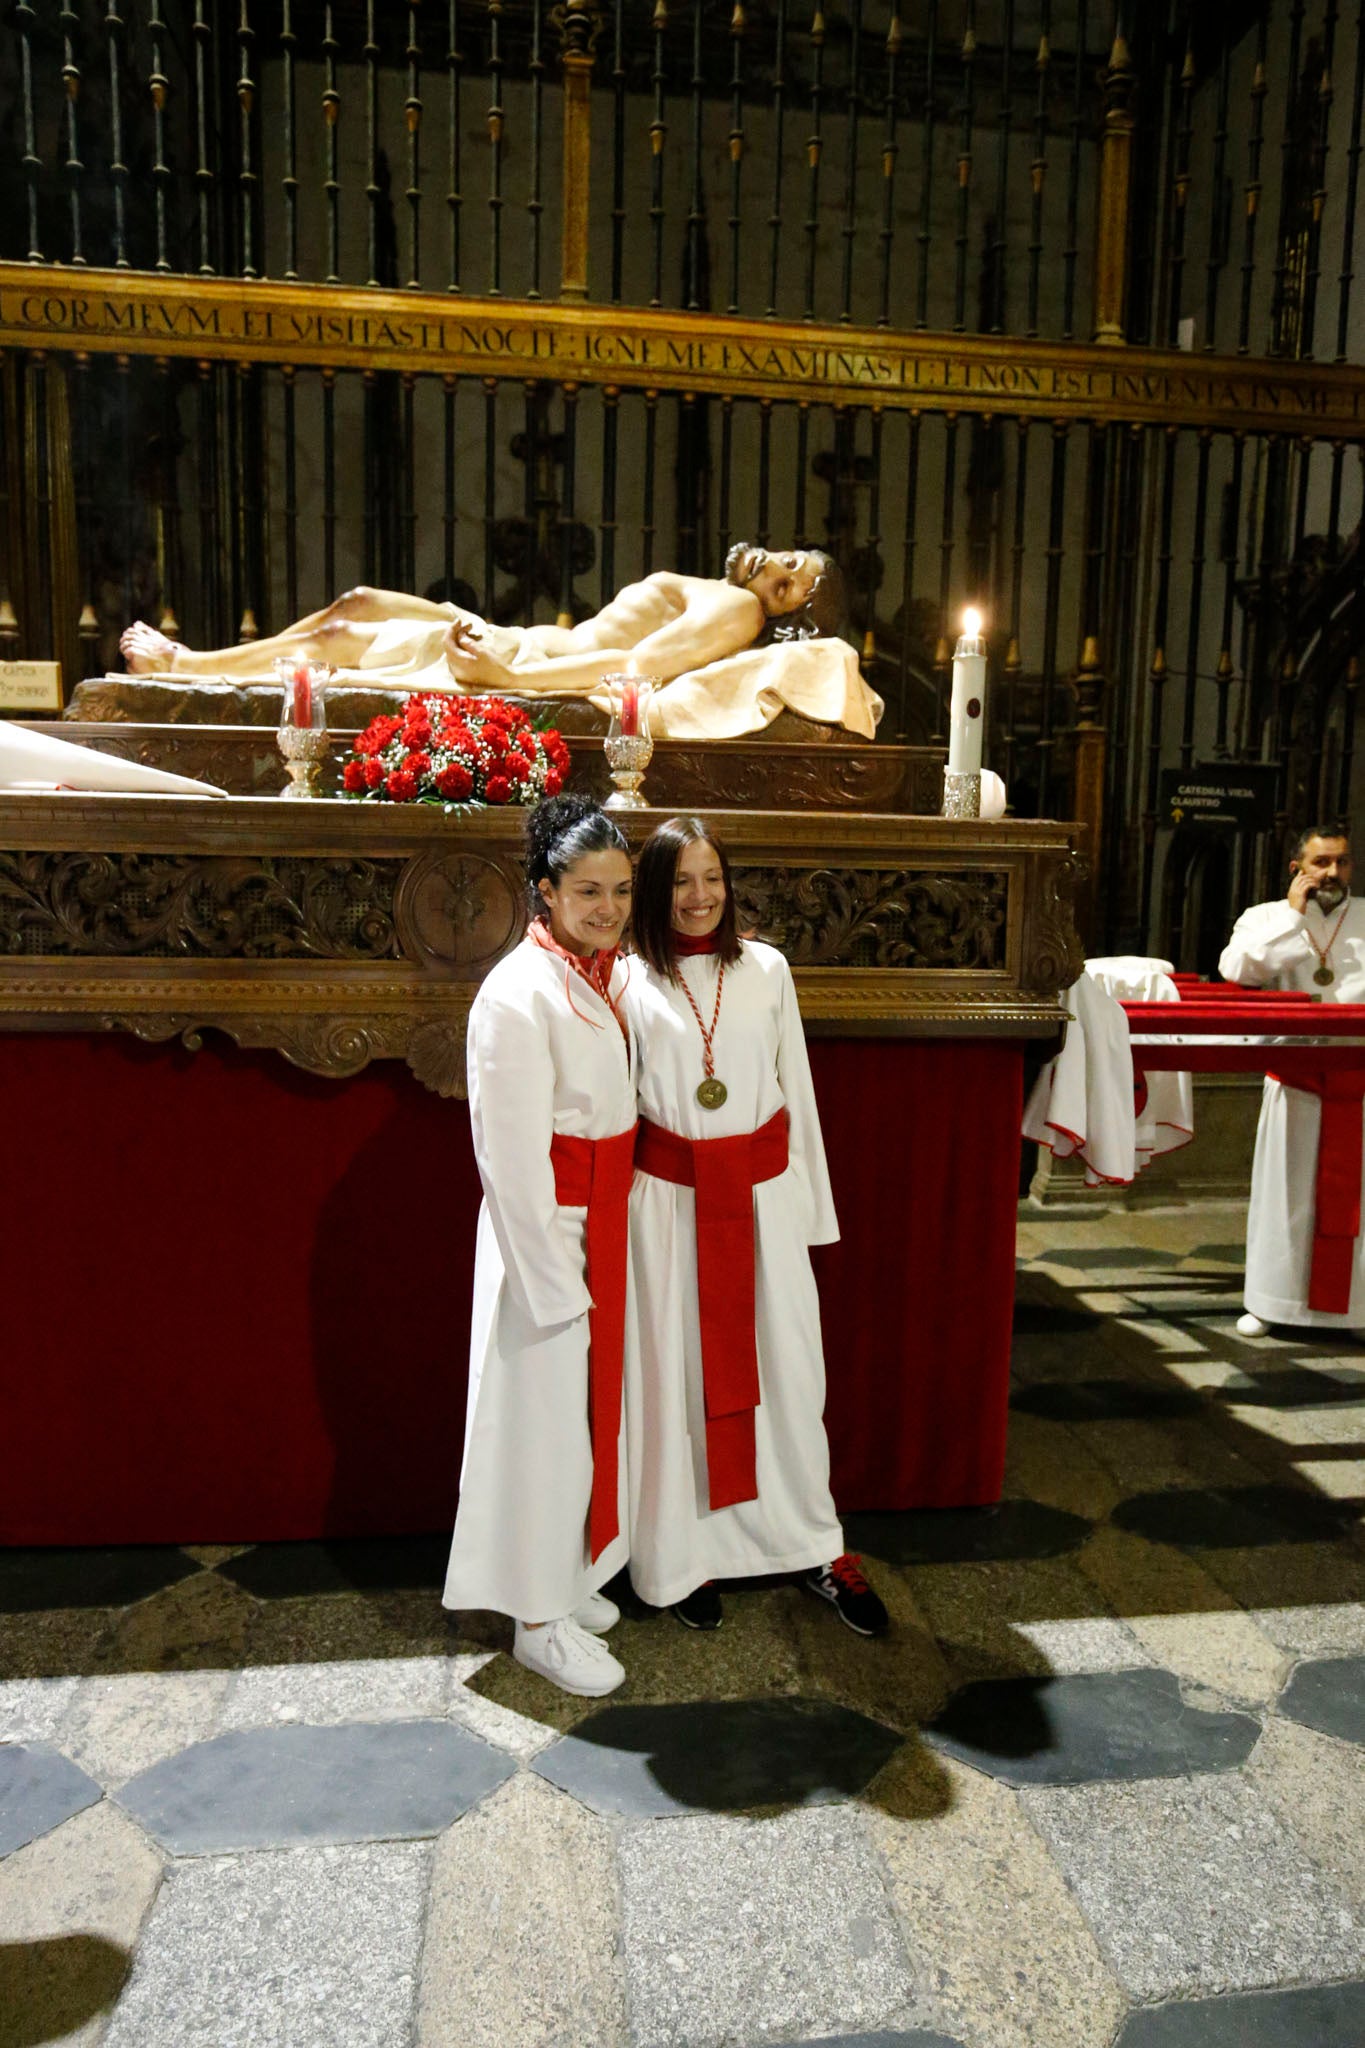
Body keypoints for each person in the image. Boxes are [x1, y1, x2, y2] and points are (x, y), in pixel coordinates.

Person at [621, 815, 889, 1636]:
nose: (699, 897)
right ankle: (681, 1555)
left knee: (787, 1371)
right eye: (680, 882)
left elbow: (795, 1089)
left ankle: (811, 1543)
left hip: (763, 1202)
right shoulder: (625, 978)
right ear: (654, 892)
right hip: (669, 1207)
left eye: (712, 878)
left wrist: (810, 1212)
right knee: (676, 1380)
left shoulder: (767, 970)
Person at [442, 794, 637, 1695]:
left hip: (601, 1221)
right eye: (588, 891)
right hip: (547, 1234)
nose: (606, 909)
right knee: (538, 1428)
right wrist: (554, 1281)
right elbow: (509, 1159)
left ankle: (564, 1578)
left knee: (580, 1426)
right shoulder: (515, 994)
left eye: (621, 892)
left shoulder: (596, 975)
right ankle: (535, 1621)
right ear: (545, 893)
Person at [116, 546, 883, 742]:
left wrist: (503, 679)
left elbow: (636, 668)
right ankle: (211, 668)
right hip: (523, 642)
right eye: (790, 558)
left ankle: (189, 666)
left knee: (343, 635)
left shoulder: (735, 615)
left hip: (524, 660)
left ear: (780, 617)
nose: (773, 568)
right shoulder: (728, 596)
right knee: (357, 603)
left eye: (787, 583)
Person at [1219, 824, 1365, 1335]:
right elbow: (1238, 970)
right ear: (1296, 868)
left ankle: (1355, 1309)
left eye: (1341, 862)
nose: (1332, 873)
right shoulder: (1265, 918)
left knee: (1359, 1205)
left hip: (1358, 1079)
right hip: (1297, 1079)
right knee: (1287, 1197)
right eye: (1321, 862)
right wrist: (1292, 915)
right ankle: (1271, 1303)